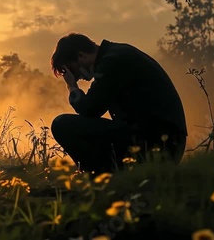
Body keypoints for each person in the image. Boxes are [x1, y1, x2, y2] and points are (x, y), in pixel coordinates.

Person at [50, 33, 187, 175]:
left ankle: (98, 180)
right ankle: (109, 177)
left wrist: (72, 86)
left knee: (62, 124)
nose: (77, 77)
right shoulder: (115, 55)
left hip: (158, 142)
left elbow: (89, 109)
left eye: (72, 70)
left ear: (81, 55)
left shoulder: (112, 62)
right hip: (160, 140)